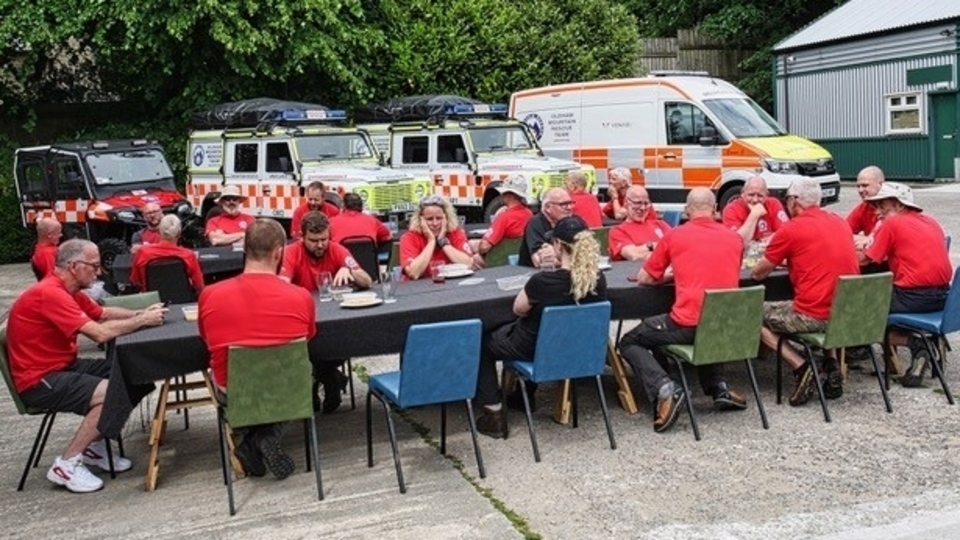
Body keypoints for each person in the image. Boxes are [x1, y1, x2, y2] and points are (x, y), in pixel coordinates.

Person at [8, 239, 166, 493]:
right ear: (74, 266)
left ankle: (95, 446)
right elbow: (100, 334)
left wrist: (140, 314)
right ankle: (67, 463)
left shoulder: (68, 291)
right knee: (111, 391)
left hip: (62, 366)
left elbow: (103, 313)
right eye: (94, 266)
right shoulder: (50, 293)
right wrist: (143, 321)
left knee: (136, 374)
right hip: (39, 380)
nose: (99, 271)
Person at [618, 188, 748, 434]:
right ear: (716, 210)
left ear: (687, 211)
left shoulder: (676, 236)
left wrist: (669, 274)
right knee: (709, 318)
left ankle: (666, 387)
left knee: (629, 341)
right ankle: (718, 386)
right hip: (725, 324)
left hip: (687, 325)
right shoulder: (735, 238)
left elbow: (645, 278)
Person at [198, 218, 316, 480]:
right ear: (278, 252)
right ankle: (265, 436)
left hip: (237, 391)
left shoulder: (210, 295)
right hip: (287, 390)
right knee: (304, 373)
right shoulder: (301, 296)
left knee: (244, 386)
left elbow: (206, 340)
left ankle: (249, 439)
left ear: (244, 249)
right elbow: (307, 340)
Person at [474, 216, 607, 437]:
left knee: (482, 342)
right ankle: (521, 392)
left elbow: (518, 309)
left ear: (559, 246)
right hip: (576, 346)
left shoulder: (542, 282)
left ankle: (494, 413)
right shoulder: (599, 280)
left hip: (535, 348)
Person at [752, 178, 859, 406]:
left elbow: (759, 274)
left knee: (749, 312)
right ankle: (830, 364)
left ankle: (801, 366)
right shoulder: (840, 222)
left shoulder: (792, 228)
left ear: (794, 201)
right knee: (824, 295)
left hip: (814, 316)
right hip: (846, 314)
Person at [858, 182, 952, 387]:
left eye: (882, 205)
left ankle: (914, 343)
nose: (878, 212)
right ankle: (919, 345)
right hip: (943, 299)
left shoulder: (893, 224)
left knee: (856, 311)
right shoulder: (931, 221)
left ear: (898, 205)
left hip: (911, 297)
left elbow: (865, 260)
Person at [281, 211, 372, 413]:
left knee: (341, 341)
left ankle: (320, 377)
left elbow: (367, 281)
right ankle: (329, 377)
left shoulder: (336, 249)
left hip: (333, 320)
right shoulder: (291, 252)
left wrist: (351, 272)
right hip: (302, 319)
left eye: (324, 239)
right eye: (314, 241)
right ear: (301, 237)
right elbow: (281, 286)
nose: (320, 245)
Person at [398, 195, 475, 280]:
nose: (435, 223)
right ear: (421, 220)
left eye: (439, 218)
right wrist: (431, 241)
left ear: (446, 218)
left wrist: (442, 241)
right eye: (430, 219)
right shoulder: (408, 238)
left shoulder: (455, 232)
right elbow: (414, 273)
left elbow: (469, 264)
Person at [129, 215, 205, 295]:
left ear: (158, 232)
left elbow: (135, 281)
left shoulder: (143, 252)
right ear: (179, 234)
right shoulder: (188, 255)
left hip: (152, 301)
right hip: (182, 299)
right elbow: (199, 285)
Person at [472, 176, 533, 256]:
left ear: (510, 196)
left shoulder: (504, 217)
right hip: (521, 256)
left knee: (471, 247)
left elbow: (485, 247)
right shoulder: (529, 214)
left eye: (504, 193)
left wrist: (478, 249)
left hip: (500, 259)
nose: (501, 195)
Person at [608, 186, 672, 261]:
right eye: (637, 203)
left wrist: (646, 249)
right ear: (626, 203)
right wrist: (657, 246)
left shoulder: (660, 225)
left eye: (646, 203)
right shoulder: (617, 231)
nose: (642, 208)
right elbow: (633, 255)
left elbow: (678, 246)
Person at [721, 176, 789, 243]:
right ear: (743, 193)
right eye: (751, 195)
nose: (755, 200)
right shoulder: (731, 210)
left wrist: (772, 239)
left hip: (769, 250)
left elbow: (787, 232)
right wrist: (754, 215)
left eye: (760, 196)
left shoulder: (774, 204)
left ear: (766, 195)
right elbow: (737, 242)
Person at [518, 187, 574, 268]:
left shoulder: (573, 222)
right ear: (548, 207)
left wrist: (558, 256)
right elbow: (539, 261)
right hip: (534, 275)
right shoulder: (535, 223)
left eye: (570, 203)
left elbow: (586, 253)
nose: (569, 208)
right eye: (563, 204)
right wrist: (568, 258)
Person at [848, 165, 885, 249]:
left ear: (881, 184)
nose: (860, 190)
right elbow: (844, 231)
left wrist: (869, 240)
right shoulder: (863, 207)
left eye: (865, 185)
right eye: (858, 186)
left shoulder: (895, 208)